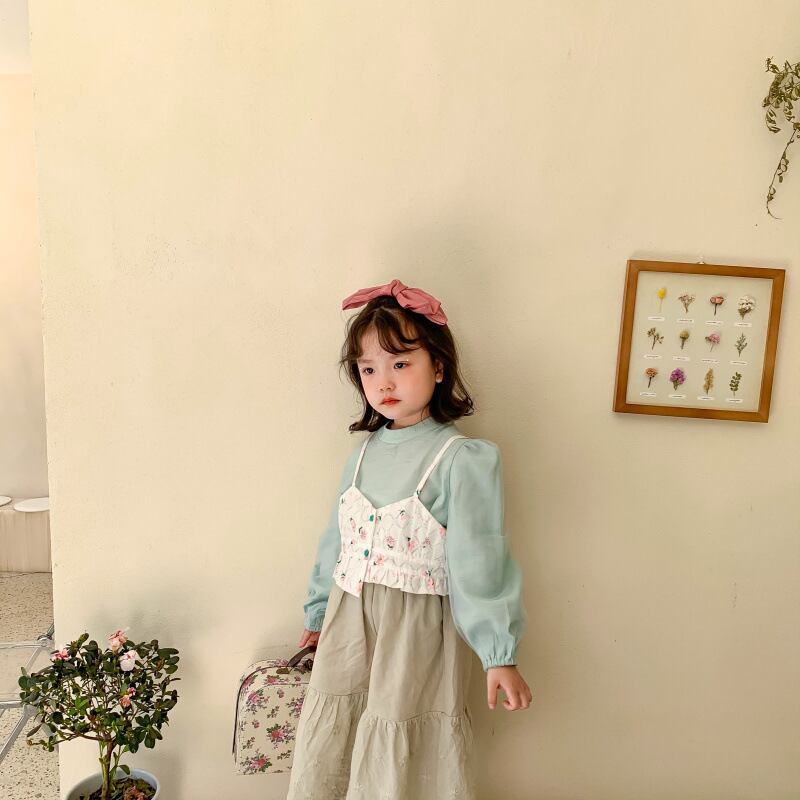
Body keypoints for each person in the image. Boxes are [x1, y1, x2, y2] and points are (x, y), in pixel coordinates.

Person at [286, 278, 531, 800]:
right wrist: (316, 614)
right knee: (336, 740)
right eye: (369, 369)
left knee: (396, 746)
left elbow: (479, 560)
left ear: (438, 366)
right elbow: (336, 541)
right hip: (347, 622)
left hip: (414, 632)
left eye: (400, 363)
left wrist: (498, 653)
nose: (384, 382)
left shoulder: (461, 459)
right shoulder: (363, 454)